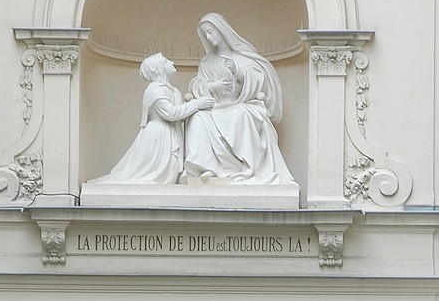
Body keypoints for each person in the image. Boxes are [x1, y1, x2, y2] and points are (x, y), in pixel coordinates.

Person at [183, 13, 296, 185]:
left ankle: (248, 169)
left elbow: (259, 78)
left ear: (221, 30)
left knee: (239, 114)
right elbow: (197, 83)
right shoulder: (206, 62)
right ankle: (208, 167)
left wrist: (238, 71)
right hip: (215, 108)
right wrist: (212, 87)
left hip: (239, 104)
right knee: (197, 118)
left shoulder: (243, 56)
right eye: (205, 34)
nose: (208, 36)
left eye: (211, 31)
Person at [89, 53, 214, 184]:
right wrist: (196, 104)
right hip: (158, 136)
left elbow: (179, 115)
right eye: (166, 61)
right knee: (155, 175)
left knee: (166, 175)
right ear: (159, 69)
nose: (171, 62)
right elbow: (171, 113)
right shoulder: (155, 90)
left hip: (169, 133)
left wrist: (194, 108)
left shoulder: (173, 90)